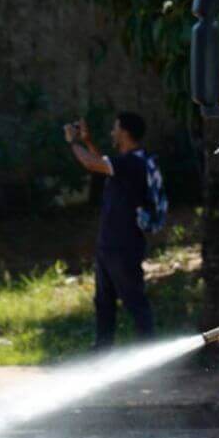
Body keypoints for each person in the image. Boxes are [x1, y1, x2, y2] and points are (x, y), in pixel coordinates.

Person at [65, 112, 156, 349]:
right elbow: (102, 165)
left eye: (115, 128)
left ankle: (149, 354)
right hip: (110, 246)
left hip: (122, 247)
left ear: (125, 132)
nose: (112, 133)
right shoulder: (127, 162)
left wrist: (73, 142)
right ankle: (103, 353)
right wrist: (87, 141)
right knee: (104, 303)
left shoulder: (133, 162)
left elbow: (91, 163)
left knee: (134, 301)